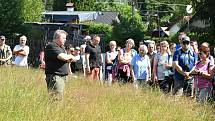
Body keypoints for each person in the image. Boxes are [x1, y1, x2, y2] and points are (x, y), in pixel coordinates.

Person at [45, 29, 75, 100]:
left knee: (60, 97)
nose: (65, 40)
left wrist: (68, 57)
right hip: (55, 76)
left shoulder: (61, 47)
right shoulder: (51, 46)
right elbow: (62, 57)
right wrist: (70, 56)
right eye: (63, 38)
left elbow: (69, 59)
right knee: (56, 99)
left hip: (62, 76)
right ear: (57, 37)